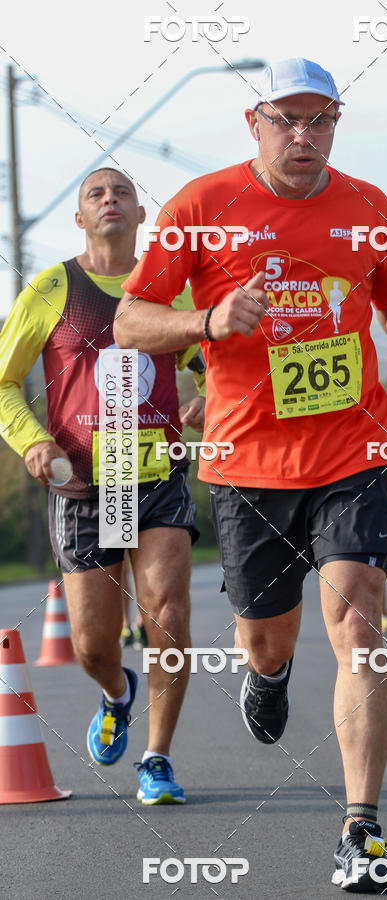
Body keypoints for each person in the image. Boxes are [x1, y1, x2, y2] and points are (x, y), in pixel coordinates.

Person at [114, 58, 387, 890]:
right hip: (247, 461)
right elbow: (131, 320)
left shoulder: (368, 206)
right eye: (288, 120)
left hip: (354, 452)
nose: (305, 136)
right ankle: (266, 677)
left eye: (321, 120)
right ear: (255, 123)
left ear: (337, 124)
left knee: (359, 630)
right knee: (268, 635)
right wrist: (205, 318)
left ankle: (361, 832)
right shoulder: (203, 208)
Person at [0, 168, 205, 805]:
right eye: (96, 194)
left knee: (166, 615)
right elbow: (3, 383)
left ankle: (157, 758)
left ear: (141, 214)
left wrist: (213, 399)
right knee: (91, 645)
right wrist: (33, 440)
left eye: (120, 193)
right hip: (87, 484)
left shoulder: (168, 286)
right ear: (81, 219)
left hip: (158, 474)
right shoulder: (52, 287)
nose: (109, 201)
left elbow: (219, 363)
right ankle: (117, 693)